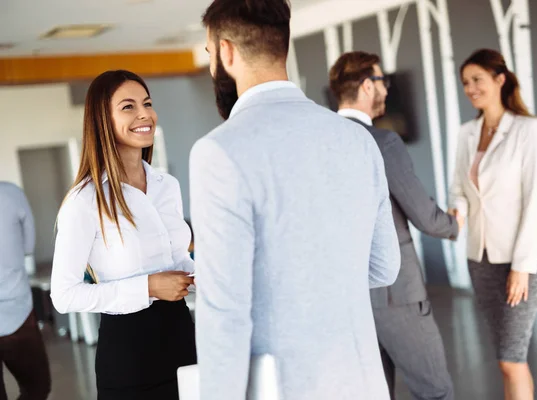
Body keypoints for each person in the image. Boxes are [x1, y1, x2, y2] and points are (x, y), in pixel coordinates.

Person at [189, 1, 401, 399]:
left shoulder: (218, 151)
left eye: (209, 51)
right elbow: (385, 267)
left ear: (227, 52)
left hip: (286, 388)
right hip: (363, 384)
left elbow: (224, 314)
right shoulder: (358, 140)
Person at [50, 70, 196, 400]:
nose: (145, 114)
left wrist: (203, 273)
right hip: (129, 353)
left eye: (147, 103)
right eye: (128, 107)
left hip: (182, 336)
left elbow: (177, 260)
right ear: (103, 119)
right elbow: (64, 294)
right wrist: (147, 287)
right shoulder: (85, 200)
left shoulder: (166, 186)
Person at [329, 51, 460, 400]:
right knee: (435, 390)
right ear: (368, 86)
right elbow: (422, 214)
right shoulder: (383, 141)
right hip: (396, 292)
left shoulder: (322, 143)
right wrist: (454, 224)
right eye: (382, 81)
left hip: (347, 294)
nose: (386, 89)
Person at [449, 48, 537, 400]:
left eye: (477, 79)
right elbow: (460, 187)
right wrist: (456, 212)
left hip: (518, 262)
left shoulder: (529, 129)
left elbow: (535, 201)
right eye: (465, 83)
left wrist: (522, 268)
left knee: (512, 359)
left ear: (499, 79)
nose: (470, 88)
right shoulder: (466, 133)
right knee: (506, 358)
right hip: (480, 258)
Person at [0, 182, 51, 400]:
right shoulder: (10, 194)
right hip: (17, 314)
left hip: (18, 312)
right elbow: (28, 248)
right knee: (36, 387)